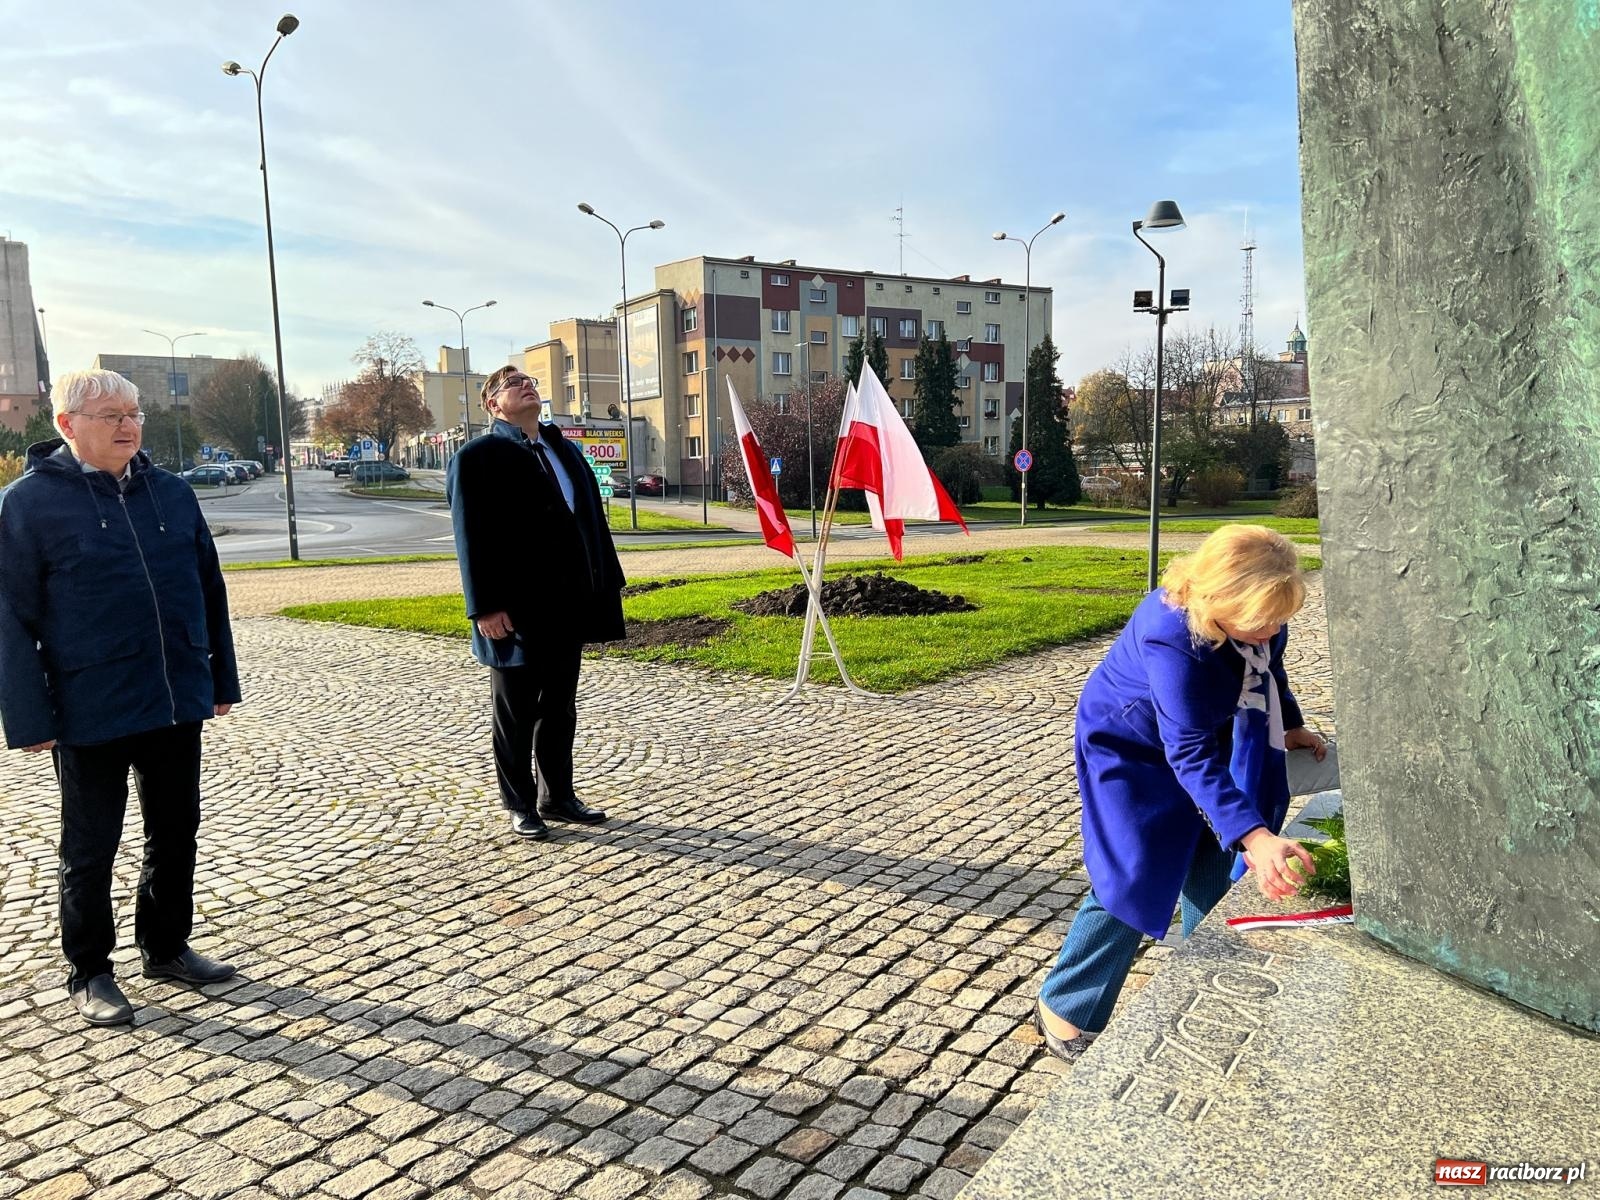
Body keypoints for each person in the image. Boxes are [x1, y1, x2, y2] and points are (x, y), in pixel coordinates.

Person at [0, 369, 241, 1027]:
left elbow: (207, 590)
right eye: (111, 415)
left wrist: (219, 680)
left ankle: (166, 946)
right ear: (68, 425)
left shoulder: (172, 493)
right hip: (89, 705)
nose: (129, 425)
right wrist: (27, 716)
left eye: (134, 412)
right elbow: (11, 616)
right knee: (90, 845)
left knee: (176, 830)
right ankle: (91, 971)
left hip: (172, 697)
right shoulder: (27, 504)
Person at [1035, 524, 1331, 1059]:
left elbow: (1270, 671)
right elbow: (1187, 751)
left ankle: (1208, 973)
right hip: (1131, 749)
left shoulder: (1259, 618)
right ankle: (1067, 1005)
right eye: (1260, 620)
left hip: (1203, 734)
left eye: (1279, 619)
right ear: (1218, 596)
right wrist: (1257, 836)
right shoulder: (1171, 633)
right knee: (1133, 871)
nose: (1270, 630)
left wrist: (1289, 724)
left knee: (1210, 857)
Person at [447, 367, 625, 841]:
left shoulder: (563, 449)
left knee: (560, 707)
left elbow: (588, 521)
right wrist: (484, 607)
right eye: (513, 384)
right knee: (515, 712)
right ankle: (521, 804)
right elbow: (471, 536)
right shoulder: (478, 456)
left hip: (567, 604)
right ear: (493, 405)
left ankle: (558, 796)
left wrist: (603, 583)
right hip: (514, 610)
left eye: (530, 380)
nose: (527, 386)